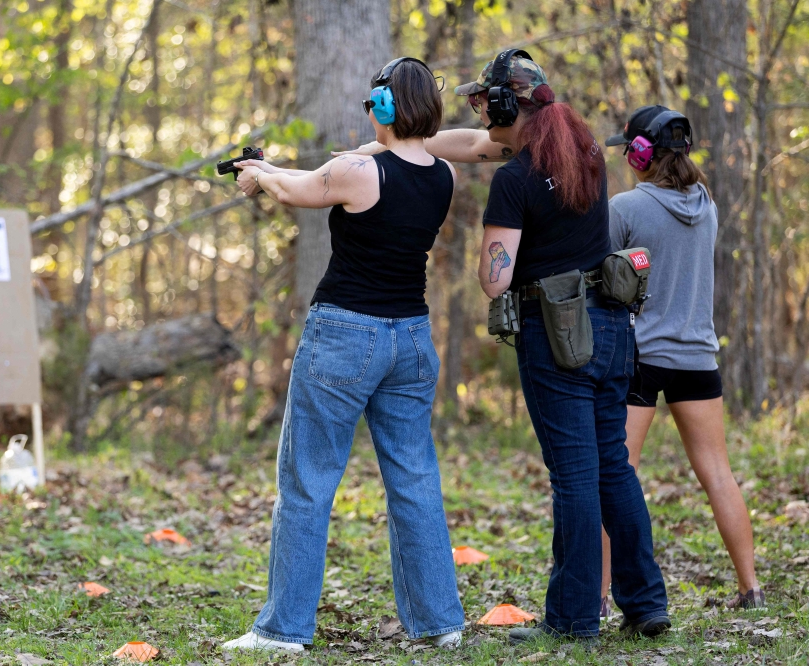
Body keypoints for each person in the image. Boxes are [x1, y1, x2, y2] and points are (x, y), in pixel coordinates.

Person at [220, 57, 466, 652]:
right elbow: (374, 159)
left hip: (345, 336)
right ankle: (440, 624)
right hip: (410, 338)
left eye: (372, 103)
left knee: (307, 481)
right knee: (414, 478)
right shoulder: (443, 176)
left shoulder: (356, 170)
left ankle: (282, 632)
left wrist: (259, 172)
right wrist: (273, 169)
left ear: (384, 108)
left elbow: (292, 189)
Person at [454, 48, 670, 643]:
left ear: (506, 103)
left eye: (485, 101)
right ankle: (646, 603)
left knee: (574, 477)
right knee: (613, 471)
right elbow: (474, 146)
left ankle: (574, 620)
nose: (480, 113)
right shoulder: (586, 156)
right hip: (611, 328)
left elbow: (495, 278)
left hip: (555, 337)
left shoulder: (516, 180)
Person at [601, 106, 765, 611]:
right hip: (697, 355)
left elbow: (602, 276)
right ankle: (751, 587)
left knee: (616, 473)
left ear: (641, 154)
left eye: (629, 148)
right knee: (718, 471)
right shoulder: (707, 204)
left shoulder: (625, 207)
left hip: (641, 356)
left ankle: (601, 598)